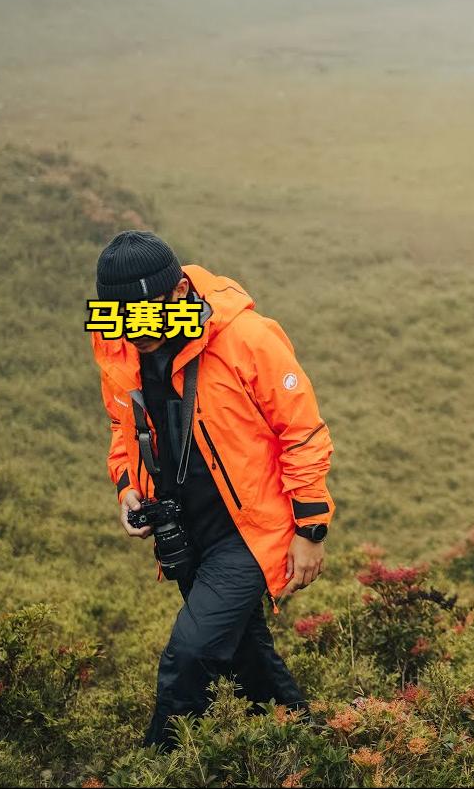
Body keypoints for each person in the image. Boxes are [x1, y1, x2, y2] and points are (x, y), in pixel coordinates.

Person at [89, 229, 336, 749]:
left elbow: (302, 429)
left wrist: (310, 527)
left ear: (179, 292)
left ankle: (151, 771)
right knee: (248, 658)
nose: (139, 330)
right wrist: (129, 488)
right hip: (182, 527)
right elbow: (123, 425)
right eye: (124, 316)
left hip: (249, 530)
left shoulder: (246, 337)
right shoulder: (117, 339)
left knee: (190, 656)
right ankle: (311, 750)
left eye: (148, 314)